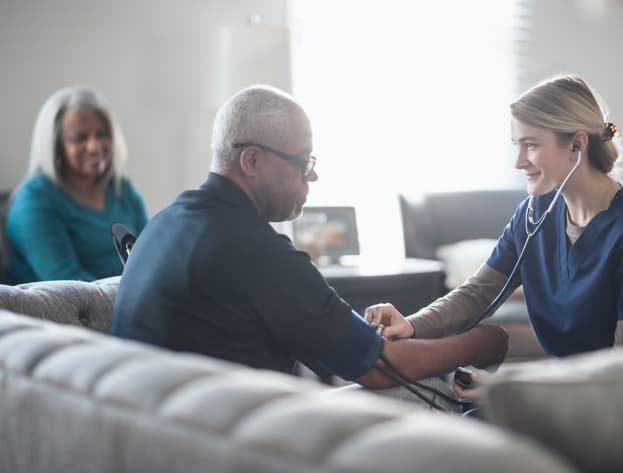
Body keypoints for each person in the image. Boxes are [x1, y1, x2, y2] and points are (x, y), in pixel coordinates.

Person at [111, 84, 508, 390]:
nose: (313, 176)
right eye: (303, 162)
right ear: (251, 160)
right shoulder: (258, 254)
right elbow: (379, 368)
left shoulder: (163, 224)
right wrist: (482, 343)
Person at [366, 74, 623, 394]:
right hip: (558, 385)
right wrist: (413, 324)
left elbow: (616, 369)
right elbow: (478, 292)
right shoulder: (532, 215)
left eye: (531, 145)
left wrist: (511, 388)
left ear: (577, 144)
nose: (518, 162)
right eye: (517, 145)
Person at [6, 87, 148, 283]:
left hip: (133, 301)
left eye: (101, 134)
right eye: (80, 138)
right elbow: (69, 286)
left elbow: (151, 256)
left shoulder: (122, 189)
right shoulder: (33, 202)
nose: (94, 146)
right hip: (71, 311)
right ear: (55, 145)